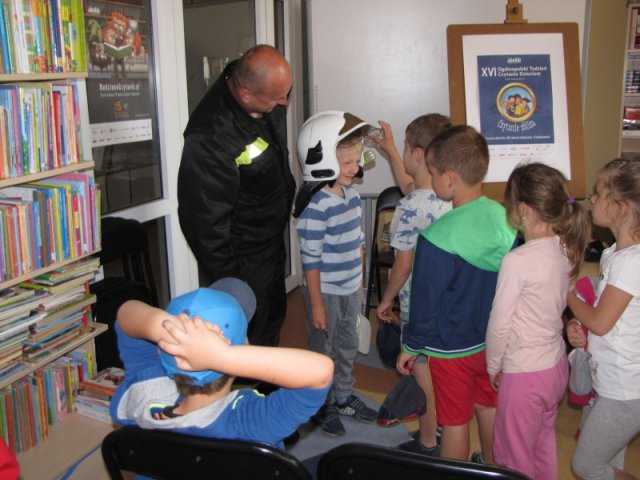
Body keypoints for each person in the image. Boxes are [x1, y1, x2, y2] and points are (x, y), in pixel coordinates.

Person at [396, 125, 516, 463]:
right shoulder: (506, 220)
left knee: (454, 421)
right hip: (492, 342)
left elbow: (424, 304)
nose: (432, 179)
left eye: (433, 173)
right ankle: (492, 467)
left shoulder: (436, 238)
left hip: (450, 350)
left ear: (450, 179)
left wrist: (411, 345)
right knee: (488, 408)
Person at [110, 277, 333, 448]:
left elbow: (125, 312)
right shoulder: (246, 423)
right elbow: (320, 371)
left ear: (160, 349)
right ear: (244, 349)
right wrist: (223, 357)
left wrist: (171, 331)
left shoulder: (143, 395)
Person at [177, 44, 296, 348]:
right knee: (251, 333)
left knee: (273, 317)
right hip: (243, 258)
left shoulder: (258, 88)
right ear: (245, 94)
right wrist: (235, 285)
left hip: (269, 243)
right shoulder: (210, 135)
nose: (284, 103)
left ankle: (268, 374)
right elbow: (203, 224)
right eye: (278, 98)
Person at [485, 163, 590, 479]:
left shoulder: (517, 261)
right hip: (555, 368)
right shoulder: (566, 247)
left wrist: (493, 365)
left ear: (523, 209)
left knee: (513, 457)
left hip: (525, 375)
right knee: (542, 445)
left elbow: (499, 324)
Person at [294, 111, 379, 437]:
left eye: (356, 161)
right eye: (347, 163)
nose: (355, 168)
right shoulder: (316, 207)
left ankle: (343, 396)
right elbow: (311, 260)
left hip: (349, 290)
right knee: (324, 350)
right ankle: (322, 403)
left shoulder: (352, 198)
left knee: (346, 345)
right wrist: (316, 304)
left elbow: (358, 244)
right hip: (325, 293)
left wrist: (360, 285)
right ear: (322, 160)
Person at [374, 114, 452, 455]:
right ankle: (446, 429)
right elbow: (411, 184)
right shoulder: (452, 198)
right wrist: (391, 148)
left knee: (423, 377)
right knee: (442, 373)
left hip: (419, 309)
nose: (403, 153)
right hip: (450, 306)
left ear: (419, 155)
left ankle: (428, 441)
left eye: (406, 148)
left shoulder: (408, 209)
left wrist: (386, 300)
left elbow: (402, 266)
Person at [566, 158, 640, 480]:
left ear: (620, 208)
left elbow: (600, 321)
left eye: (598, 193)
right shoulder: (614, 254)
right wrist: (577, 326)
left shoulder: (631, 263)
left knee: (587, 465)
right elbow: (604, 317)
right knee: (609, 459)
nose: (592, 199)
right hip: (608, 379)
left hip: (625, 389)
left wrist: (568, 295)